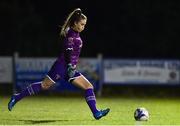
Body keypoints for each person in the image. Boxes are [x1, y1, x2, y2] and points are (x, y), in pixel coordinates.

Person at [8, 8, 110, 120]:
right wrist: (70, 65)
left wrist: (72, 66)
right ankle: (16, 97)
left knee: (88, 86)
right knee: (44, 85)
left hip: (70, 68)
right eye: (81, 24)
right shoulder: (71, 34)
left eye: (84, 25)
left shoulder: (74, 33)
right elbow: (68, 50)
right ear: (75, 23)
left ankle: (96, 113)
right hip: (62, 66)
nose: (83, 27)